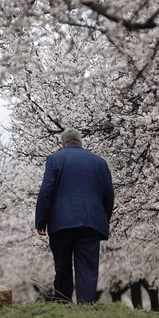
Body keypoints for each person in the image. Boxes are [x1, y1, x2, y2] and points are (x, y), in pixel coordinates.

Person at [35, 128, 114, 304]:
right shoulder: (99, 162)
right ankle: (86, 305)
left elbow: (46, 190)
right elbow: (109, 194)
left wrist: (41, 220)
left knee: (62, 265)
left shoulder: (55, 159)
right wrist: (103, 219)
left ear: (62, 144)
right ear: (80, 143)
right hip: (91, 223)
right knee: (87, 267)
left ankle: (63, 303)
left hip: (61, 223)